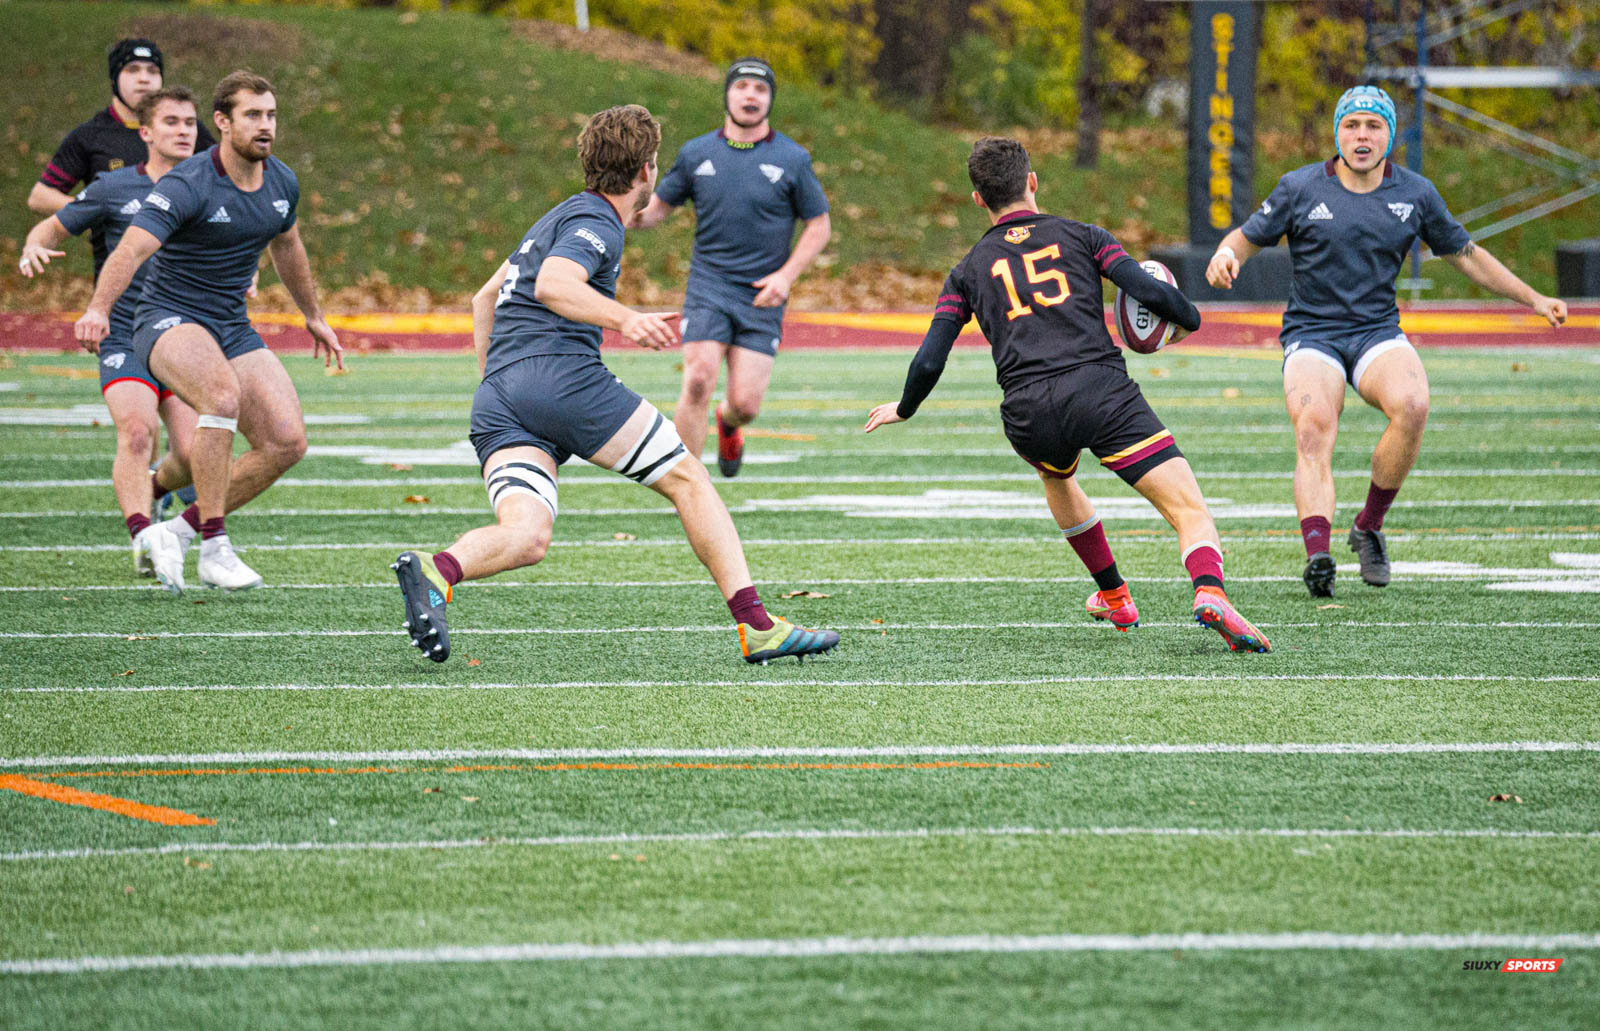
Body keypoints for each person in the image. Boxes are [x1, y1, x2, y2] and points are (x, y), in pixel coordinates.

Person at [390, 104, 838, 666]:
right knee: (689, 479)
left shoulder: (555, 217)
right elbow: (555, 284)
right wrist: (625, 319)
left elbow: (484, 298)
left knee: (527, 536)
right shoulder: (597, 223)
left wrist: (501, 379)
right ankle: (757, 626)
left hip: (499, 396)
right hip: (563, 379)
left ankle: (439, 571)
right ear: (648, 169)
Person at [865, 136, 1270, 653]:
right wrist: (1187, 319)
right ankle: (1208, 591)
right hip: (1100, 390)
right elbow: (1148, 292)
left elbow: (929, 357)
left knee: (1056, 475)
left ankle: (1116, 595)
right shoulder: (1083, 236)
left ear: (978, 200)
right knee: (1188, 508)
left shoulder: (966, 271)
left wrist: (905, 407)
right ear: (1032, 181)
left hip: (1028, 409)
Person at [1205, 85, 1568, 596]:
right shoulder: (1300, 187)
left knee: (1414, 404)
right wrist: (1227, 257)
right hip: (1313, 334)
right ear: (1338, 133)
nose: (1362, 135)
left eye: (1374, 126)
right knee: (1314, 425)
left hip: (1376, 331)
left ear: (1389, 136)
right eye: (1352, 125)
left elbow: (1465, 254)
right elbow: (1243, 238)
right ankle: (1318, 556)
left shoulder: (1414, 193)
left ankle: (1368, 526)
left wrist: (1532, 298)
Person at [74, 70, 343, 596]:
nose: (265, 126)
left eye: (271, 115)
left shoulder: (282, 181)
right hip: (166, 318)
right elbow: (129, 249)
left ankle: (175, 531)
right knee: (222, 396)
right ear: (221, 122)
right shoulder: (189, 182)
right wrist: (99, 308)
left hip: (230, 323)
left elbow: (287, 245)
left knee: (287, 442)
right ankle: (216, 548)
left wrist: (313, 314)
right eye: (252, 116)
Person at [21, 86, 202, 578]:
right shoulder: (112, 187)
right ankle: (144, 535)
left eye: (190, 123)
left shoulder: (208, 186)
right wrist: (33, 247)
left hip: (184, 338)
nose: (184, 131)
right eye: (172, 122)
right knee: (138, 430)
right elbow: (51, 227)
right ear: (146, 133)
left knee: (190, 453)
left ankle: (154, 489)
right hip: (124, 333)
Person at [631, 58, 831, 476]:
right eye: (742, 87)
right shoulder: (697, 153)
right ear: (728, 94)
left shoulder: (792, 158)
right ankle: (687, 485)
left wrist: (785, 277)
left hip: (762, 295)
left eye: (760, 89)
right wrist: (621, 208)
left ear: (770, 99)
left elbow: (819, 225)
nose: (750, 96)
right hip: (709, 286)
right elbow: (655, 211)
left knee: (746, 405)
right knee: (698, 379)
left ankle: (728, 424)